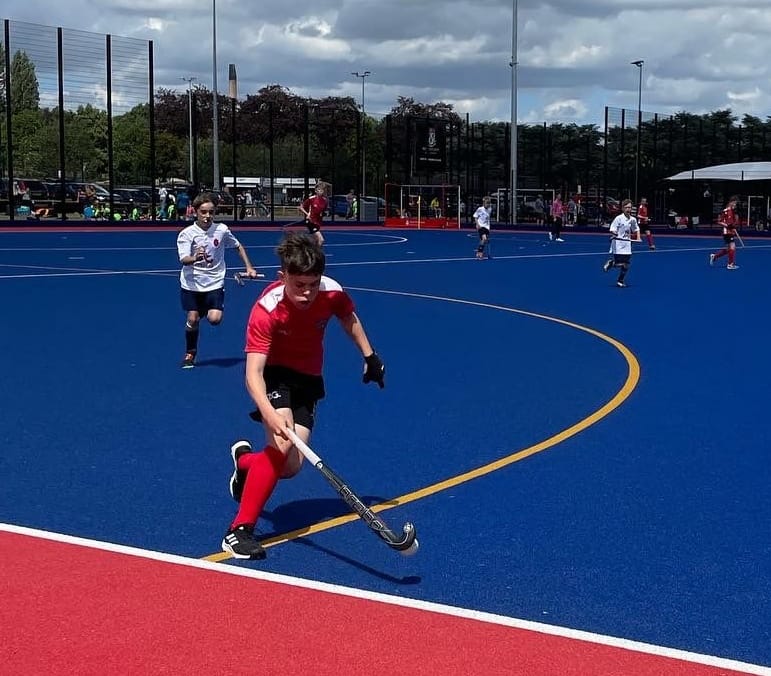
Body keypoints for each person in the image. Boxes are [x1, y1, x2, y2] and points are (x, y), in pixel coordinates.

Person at [220, 232, 385, 559]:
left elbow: (347, 317)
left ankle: (245, 463)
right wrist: (269, 412)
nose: (308, 293)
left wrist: (370, 357)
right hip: (273, 374)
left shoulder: (332, 292)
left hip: (308, 378)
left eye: (313, 283)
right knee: (281, 446)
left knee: (291, 466)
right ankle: (239, 531)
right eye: (299, 285)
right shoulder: (266, 310)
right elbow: (252, 372)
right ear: (283, 278)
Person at [176, 192, 260, 369]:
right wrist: (195, 258)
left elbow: (238, 246)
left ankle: (203, 311)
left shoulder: (221, 230)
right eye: (203, 212)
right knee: (192, 317)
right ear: (195, 212)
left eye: (211, 212)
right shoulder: (187, 234)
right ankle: (190, 352)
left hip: (214, 281)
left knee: (214, 319)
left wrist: (249, 267)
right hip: (191, 283)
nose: (207, 216)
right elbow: (183, 259)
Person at [602, 198, 640, 288]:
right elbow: (612, 229)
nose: (628, 209)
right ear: (623, 208)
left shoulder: (633, 219)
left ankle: (620, 281)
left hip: (627, 244)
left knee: (626, 264)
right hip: (618, 243)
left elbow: (636, 229)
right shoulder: (618, 218)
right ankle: (611, 263)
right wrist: (614, 233)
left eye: (630, 207)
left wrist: (638, 237)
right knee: (620, 263)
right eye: (626, 207)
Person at [709, 195, 740, 270]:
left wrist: (733, 226)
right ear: (732, 202)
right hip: (727, 232)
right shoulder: (728, 210)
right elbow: (720, 221)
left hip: (729, 231)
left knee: (729, 248)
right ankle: (730, 264)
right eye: (735, 203)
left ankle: (715, 256)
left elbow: (730, 222)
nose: (735, 205)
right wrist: (729, 226)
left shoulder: (729, 210)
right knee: (732, 246)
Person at [298, 181, 330, 246]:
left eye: (322, 190)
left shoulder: (325, 201)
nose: (320, 191)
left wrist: (324, 214)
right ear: (316, 191)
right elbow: (301, 207)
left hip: (318, 222)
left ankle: (310, 251)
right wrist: (307, 214)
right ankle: (317, 253)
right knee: (321, 239)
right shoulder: (311, 199)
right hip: (310, 221)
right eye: (319, 189)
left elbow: (323, 211)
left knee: (315, 241)